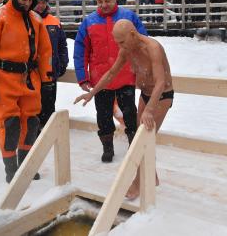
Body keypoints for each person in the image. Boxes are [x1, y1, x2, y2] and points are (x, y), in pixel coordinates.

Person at [74, 19, 173, 200]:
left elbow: (160, 82)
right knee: (140, 138)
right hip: (145, 94)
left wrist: (149, 110)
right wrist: (92, 93)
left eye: (121, 41)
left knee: (142, 141)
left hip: (162, 96)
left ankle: (137, 182)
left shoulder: (153, 48)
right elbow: (111, 73)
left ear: (133, 35)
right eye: (117, 42)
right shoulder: (127, 50)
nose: (119, 46)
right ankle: (152, 176)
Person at [0, 0, 53, 183]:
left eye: (30, 0)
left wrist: (47, 79)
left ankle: (25, 165)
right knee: (10, 125)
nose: (27, 3)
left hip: (29, 78)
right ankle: (11, 170)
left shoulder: (36, 20)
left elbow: (45, 52)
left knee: (30, 123)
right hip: (4, 78)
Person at [73, 0, 147, 163]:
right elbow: (80, 50)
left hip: (126, 75)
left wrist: (143, 70)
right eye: (99, 2)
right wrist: (82, 76)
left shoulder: (128, 17)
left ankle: (133, 146)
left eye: (107, 1)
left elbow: (143, 42)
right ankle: (107, 148)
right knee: (103, 116)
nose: (103, 5)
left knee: (130, 113)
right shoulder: (89, 21)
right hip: (100, 78)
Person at [34, 0, 69, 130]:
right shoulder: (27, 20)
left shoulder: (54, 21)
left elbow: (62, 45)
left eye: (43, 2)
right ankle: (34, 133)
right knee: (33, 105)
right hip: (33, 72)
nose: (40, 5)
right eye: (37, 2)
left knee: (49, 104)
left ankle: (48, 131)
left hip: (50, 71)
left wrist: (63, 63)